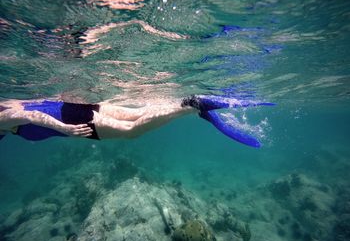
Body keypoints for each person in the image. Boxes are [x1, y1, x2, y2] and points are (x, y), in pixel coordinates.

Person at [0, 96, 274, 147]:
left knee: (132, 130)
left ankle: (194, 104)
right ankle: (189, 105)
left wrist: (64, 128)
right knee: (138, 115)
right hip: (73, 107)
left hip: (71, 119)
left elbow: (26, 116)